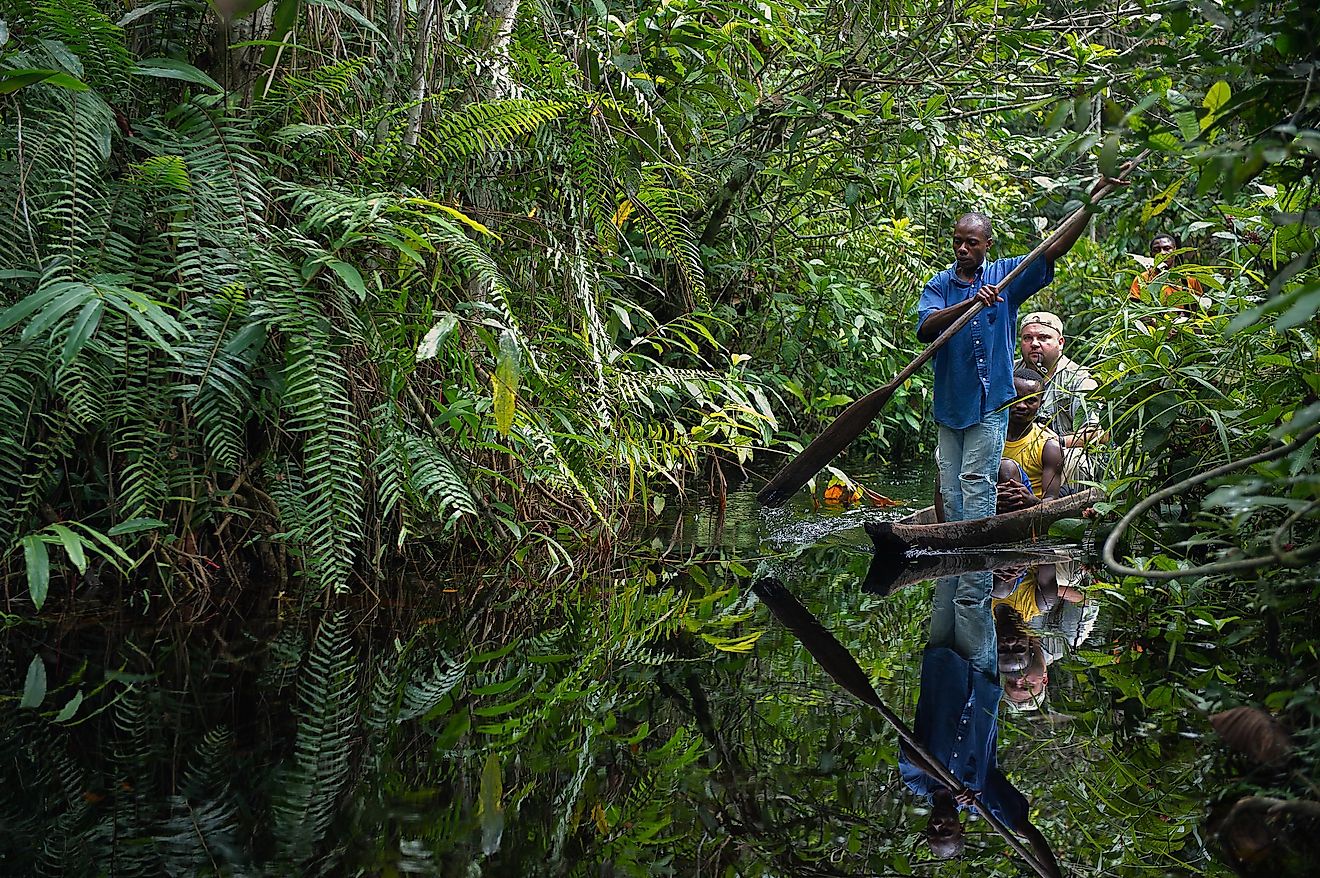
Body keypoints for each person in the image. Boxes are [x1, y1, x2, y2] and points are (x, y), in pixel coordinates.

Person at [918, 191, 1106, 525]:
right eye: (958, 242)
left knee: (976, 479)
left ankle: (975, 543)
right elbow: (926, 328)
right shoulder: (940, 285)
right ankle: (954, 541)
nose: (962, 249)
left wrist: (1090, 203)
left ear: (987, 245)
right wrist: (971, 303)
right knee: (949, 485)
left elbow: (1054, 248)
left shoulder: (1005, 276)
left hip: (992, 402)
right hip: (951, 402)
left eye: (972, 243)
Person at [899, 570, 1064, 875]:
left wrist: (945, 779)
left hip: (940, 664)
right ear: (960, 828)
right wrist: (1054, 875)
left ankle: (955, 542)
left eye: (933, 830)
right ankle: (980, 540)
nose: (939, 824)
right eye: (946, 831)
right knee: (971, 598)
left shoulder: (917, 782)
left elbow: (909, 750)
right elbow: (1025, 829)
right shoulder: (981, 792)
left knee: (947, 579)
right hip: (978, 675)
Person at [1018, 311, 1100, 483]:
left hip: (1061, 454)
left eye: (1043, 337)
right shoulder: (1008, 372)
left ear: (1060, 342)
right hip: (1015, 449)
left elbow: (1098, 432)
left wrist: (1056, 441)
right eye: (1027, 338)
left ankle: (1066, 500)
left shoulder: (1079, 379)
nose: (1034, 344)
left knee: (1074, 459)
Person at [997, 367, 1064, 513]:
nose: (1021, 405)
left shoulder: (1049, 446)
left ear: (1041, 403)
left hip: (1029, 509)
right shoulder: (990, 436)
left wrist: (1030, 500)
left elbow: (1052, 499)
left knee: (1007, 468)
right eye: (1015, 398)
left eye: (1030, 400)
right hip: (992, 500)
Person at [1128, 231, 1205, 307]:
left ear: (1175, 251)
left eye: (1167, 249)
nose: (1162, 253)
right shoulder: (1143, 279)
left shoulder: (1189, 279)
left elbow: (1200, 306)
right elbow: (1135, 306)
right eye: (1156, 250)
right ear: (1151, 254)